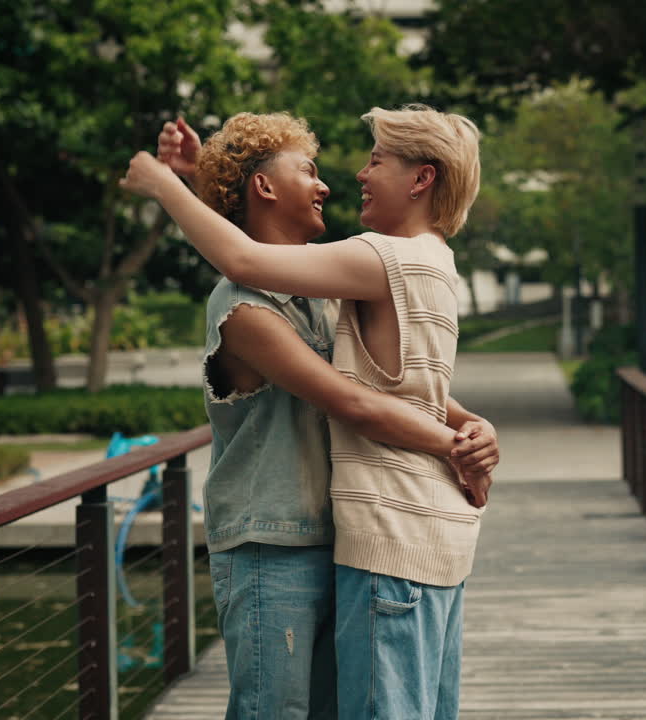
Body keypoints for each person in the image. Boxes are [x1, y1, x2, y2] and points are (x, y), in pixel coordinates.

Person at [124, 103, 485, 720]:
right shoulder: (241, 308)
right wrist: (171, 184)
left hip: (342, 539)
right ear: (266, 187)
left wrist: (469, 423)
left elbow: (387, 385)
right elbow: (349, 398)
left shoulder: (327, 298)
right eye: (309, 170)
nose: (330, 185)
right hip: (273, 546)